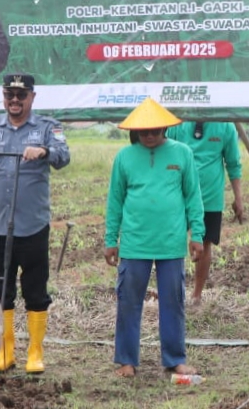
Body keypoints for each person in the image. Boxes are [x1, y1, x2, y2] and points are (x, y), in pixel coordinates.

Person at [0, 74, 71, 374]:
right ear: (4, 97)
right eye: (10, 95)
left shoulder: (47, 127)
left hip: (32, 227)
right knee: (0, 290)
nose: (15, 101)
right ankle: (5, 350)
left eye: (21, 95)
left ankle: (35, 352)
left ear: (32, 97)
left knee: (35, 290)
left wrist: (44, 151)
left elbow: (63, 156)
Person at [105, 98, 204, 378]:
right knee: (128, 302)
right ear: (135, 131)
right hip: (135, 243)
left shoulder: (182, 154)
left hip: (171, 244)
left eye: (155, 131)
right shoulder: (124, 157)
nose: (150, 136)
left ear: (164, 129)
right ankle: (126, 361)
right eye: (144, 131)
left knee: (173, 303)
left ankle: (174, 359)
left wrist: (196, 235)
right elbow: (115, 201)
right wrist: (111, 239)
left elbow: (193, 197)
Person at [166, 121, 243, 305]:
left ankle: (196, 295)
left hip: (210, 197)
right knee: (172, 242)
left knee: (205, 243)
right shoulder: (178, 123)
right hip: (179, 195)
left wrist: (238, 198)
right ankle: (173, 293)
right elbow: (166, 155)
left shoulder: (225, 125)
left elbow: (233, 163)